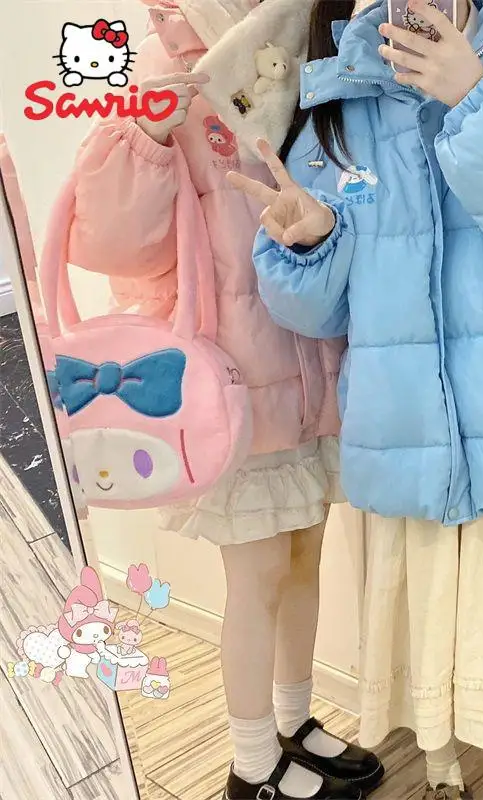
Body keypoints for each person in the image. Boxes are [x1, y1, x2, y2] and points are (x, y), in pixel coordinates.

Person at [231, 0, 483, 798]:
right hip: (405, 424)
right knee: (430, 630)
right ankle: (444, 773)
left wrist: (478, 95)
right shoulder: (339, 95)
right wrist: (313, 242)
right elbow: (317, 313)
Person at [65, 2, 383, 799]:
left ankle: (294, 722)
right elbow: (109, 240)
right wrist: (146, 135)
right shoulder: (164, 64)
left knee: (306, 552)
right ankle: (251, 763)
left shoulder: (301, 37)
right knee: (259, 571)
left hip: (309, 355)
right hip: (231, 377)